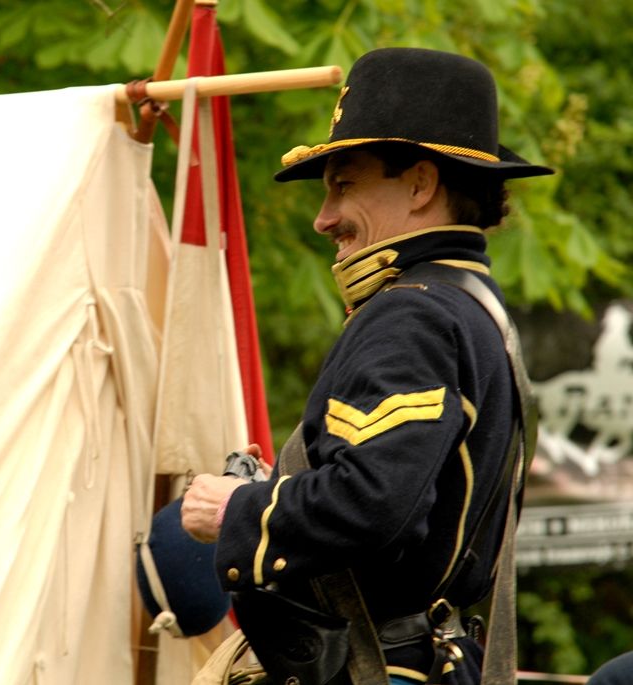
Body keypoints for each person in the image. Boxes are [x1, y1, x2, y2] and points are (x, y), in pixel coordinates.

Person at [182, 48, 553, 684]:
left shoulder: (412, 313)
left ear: (420, 184)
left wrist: (239, 509)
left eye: (344, 184)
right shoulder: (469, 306)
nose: (323, 219)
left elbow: (372, 502)